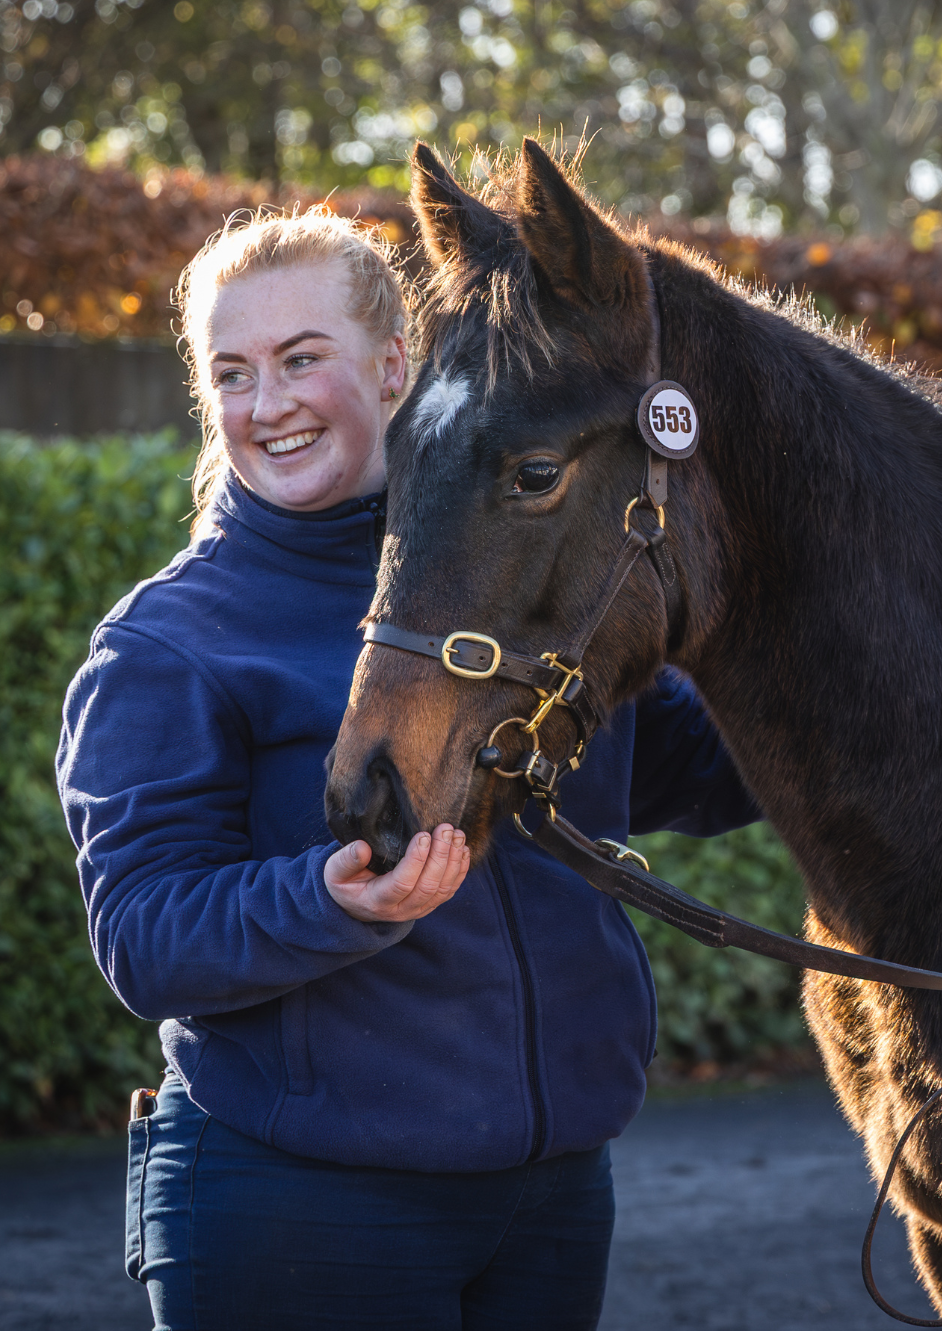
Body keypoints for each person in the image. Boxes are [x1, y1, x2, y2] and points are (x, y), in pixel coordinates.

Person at [56, 209, 758, 1330]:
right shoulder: (170, 642)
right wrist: (326, 901)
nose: (267, 402)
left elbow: (704, 761)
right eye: (231, 373)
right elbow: (144, 935)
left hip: (553, 1193)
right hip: (298, 1207)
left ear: (396, 365)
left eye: (300, 359)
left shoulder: (527, 572)